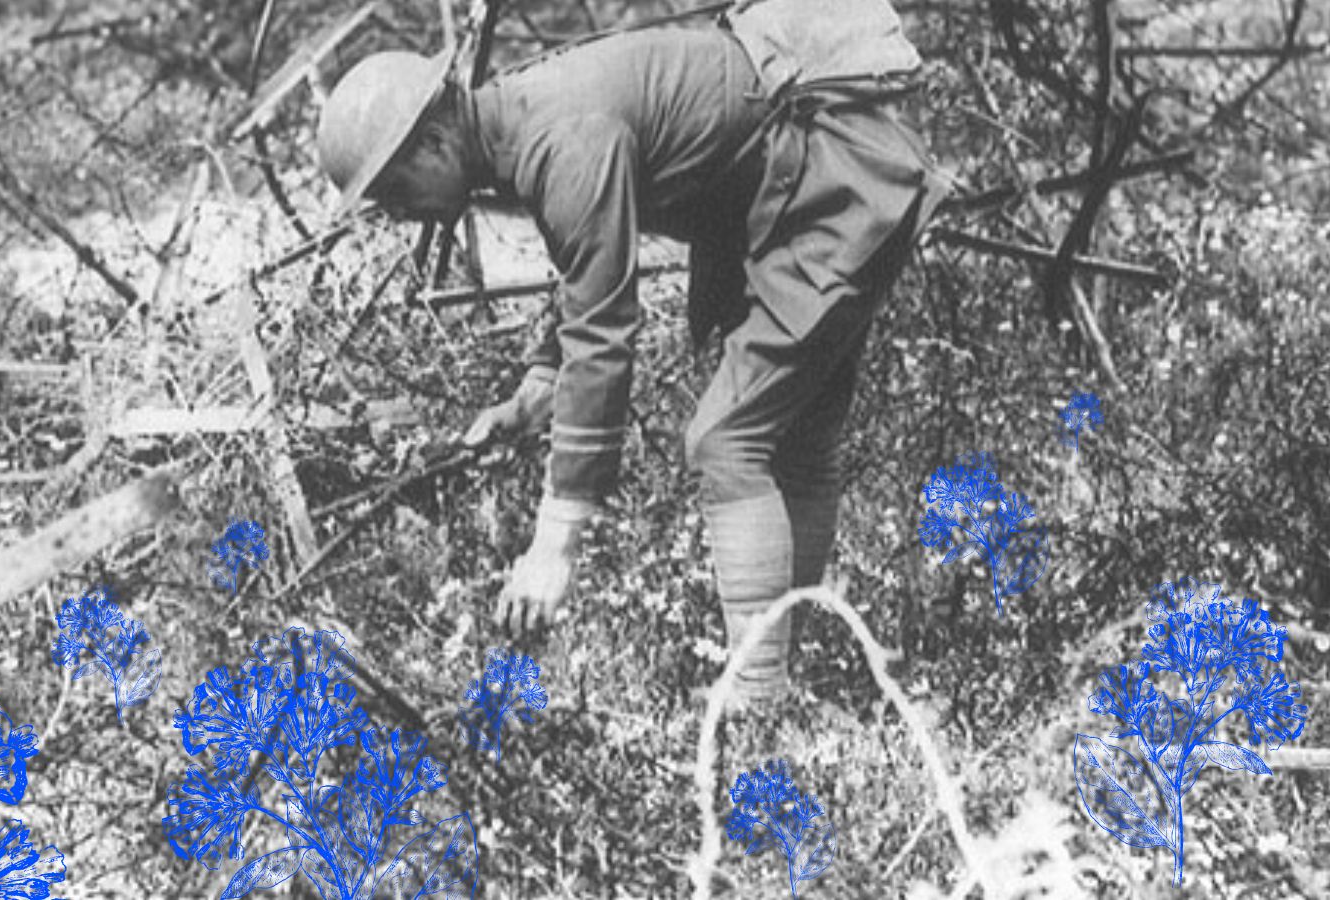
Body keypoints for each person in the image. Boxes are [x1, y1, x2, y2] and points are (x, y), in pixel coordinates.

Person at [314, 0, 947, 700]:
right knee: (793, 440)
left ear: (434, 144)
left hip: (835, 174)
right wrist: (534, 392)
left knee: (725, 441)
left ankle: (759, 706)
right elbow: (588, 269)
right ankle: (789, 675)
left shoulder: (562, 140)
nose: (404, 215)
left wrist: (556, 541)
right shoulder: (520, 120)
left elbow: (605, 331)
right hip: (811, 177)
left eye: (398, 193)